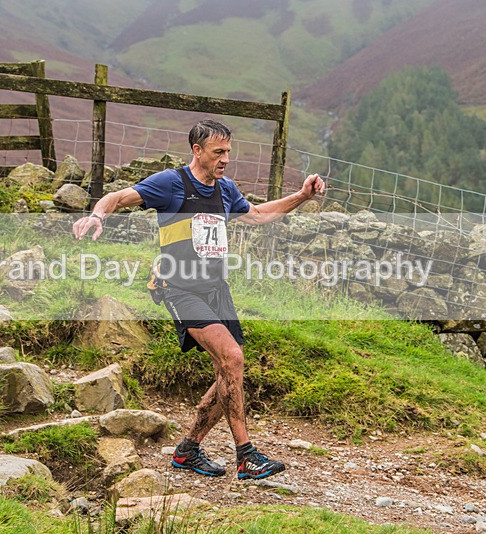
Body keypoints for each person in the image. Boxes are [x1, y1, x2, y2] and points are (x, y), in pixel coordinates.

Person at [73, 119, 324, 480]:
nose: (225, 159)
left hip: (215, 289)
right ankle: (246, 456)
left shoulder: (225, 189)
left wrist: (302, 196)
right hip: (179, 288)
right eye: (218, 152)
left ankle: (188, 449)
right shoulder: (171, 183)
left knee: (228, 370)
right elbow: (118, 197)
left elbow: (256, 216)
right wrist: (97, 215)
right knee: (232, 358)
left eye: (228, 152)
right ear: (197, 151)